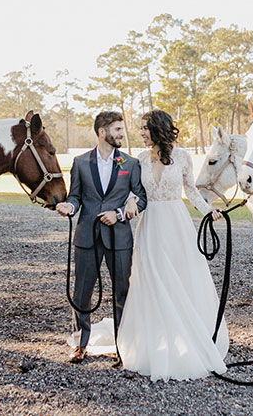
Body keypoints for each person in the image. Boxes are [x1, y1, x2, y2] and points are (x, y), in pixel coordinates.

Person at [116, 109, 228, 381]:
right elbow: (136, 191)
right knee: (152, 279)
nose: (141, 133)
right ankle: (156, 340)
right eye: (141, 128)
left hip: (176, 224)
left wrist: (207, 211)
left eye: (145, 128)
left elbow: (190, 190)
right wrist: (130, 199)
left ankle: (187, 337)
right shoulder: (140, 159)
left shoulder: (182, 157)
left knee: (180, 277)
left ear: (158, 129)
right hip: (151, 223)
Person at [56, 111, 148, 364]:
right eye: (117, 129)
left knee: (122, 292)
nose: (122, 134)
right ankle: (80, 343)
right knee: (81, 292)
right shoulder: (81, 162)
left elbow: (141, 198)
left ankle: (123, 345)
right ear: (102, 132)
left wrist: (119, 214)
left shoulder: (130, 164)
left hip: (119, 238)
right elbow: (75, 196)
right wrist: (70, 208)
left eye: (122, 129)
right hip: (87, 236)